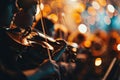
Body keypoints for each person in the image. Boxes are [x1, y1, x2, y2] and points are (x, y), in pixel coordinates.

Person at [0, 0, 66, 80]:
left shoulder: (11, 38)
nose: (17, 10)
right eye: (33, 14)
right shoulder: (6, 40)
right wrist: (40, 71)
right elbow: (8, 76)